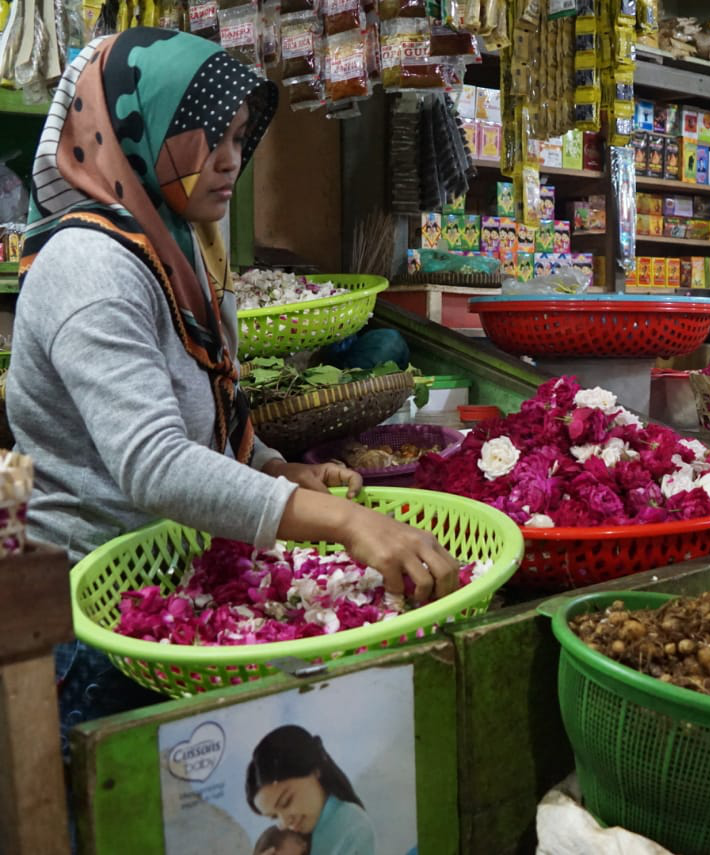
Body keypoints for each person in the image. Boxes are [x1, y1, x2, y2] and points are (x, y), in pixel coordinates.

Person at [10, 29, 459, 729]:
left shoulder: (175, 249)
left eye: (239, 139)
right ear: (137, 127)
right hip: (90, 626)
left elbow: (208, 407)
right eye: (206, 139)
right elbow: (153, 463)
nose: (230, 163)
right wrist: (344, 520)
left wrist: (275, 469)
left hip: (174, 592)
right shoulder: (89, 267)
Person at [246, 725, 374, 855]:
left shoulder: (352, 827)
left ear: (314, 772)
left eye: (286, 802)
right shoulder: (304, 836)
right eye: (274, 816)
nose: (284, 823)